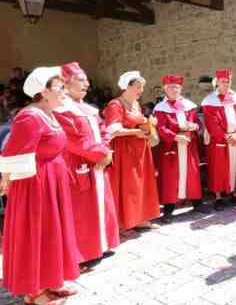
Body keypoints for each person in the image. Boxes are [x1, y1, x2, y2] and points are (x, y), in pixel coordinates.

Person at [0, 67, 81, 305]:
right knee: (39, 232)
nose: (64, 92)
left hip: (52, 179)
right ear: (44, 92)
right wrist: (6, 179)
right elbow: (12, 151)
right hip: (35, 184)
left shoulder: (49, 113)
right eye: (59, 87)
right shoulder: (30, 116)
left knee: (53, 232)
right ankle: (34, 291)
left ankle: (52, 279)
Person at [55, 62, 120, 270]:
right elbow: (72, 141)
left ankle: (103, 243)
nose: (86, 84)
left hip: (98, 162)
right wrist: (101, 153)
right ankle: (85, 253)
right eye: (80, 80)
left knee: (102, 203)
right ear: (66, 84)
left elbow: (103, 130)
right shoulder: (62, 109)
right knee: (82, 209)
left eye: (86, 79)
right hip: (79, 165)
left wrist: (106, 149)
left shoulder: (89, 108)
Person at [104, 71, 161, 230]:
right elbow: (112, 130)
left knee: (140, 184)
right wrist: (136, 132)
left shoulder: (136, 104)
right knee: (128, 186)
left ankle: (140, 218)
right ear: (127, 87)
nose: (141, 90)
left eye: (142, 87)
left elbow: (138, 122)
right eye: (138, 87)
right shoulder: (115, 104)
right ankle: (124, 223)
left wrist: (148, 124)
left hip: (139, 149)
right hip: (124, 151)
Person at [154, 75, 204, 220]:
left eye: (176, 87)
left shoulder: (189, 105)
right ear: (165, 89)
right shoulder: (160, 108)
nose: (173, 89)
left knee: (192, 175)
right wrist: (176, 137)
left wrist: (195, 126)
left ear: (180, 88)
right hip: (172, 146)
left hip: (189, 145)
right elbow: (161, 128)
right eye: (170, 87)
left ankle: (197, 203)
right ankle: (169, 209)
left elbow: (197, 123)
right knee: (171, 178)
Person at [201, 69, 236, 211]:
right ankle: (218, 197)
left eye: (228, 81)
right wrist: (225, 137)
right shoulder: (210, 101)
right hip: (219, 141)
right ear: (217, 82)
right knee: (218, 169)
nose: (226, 84)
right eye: (223, 81)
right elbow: (211, 123)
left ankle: (234, 192)